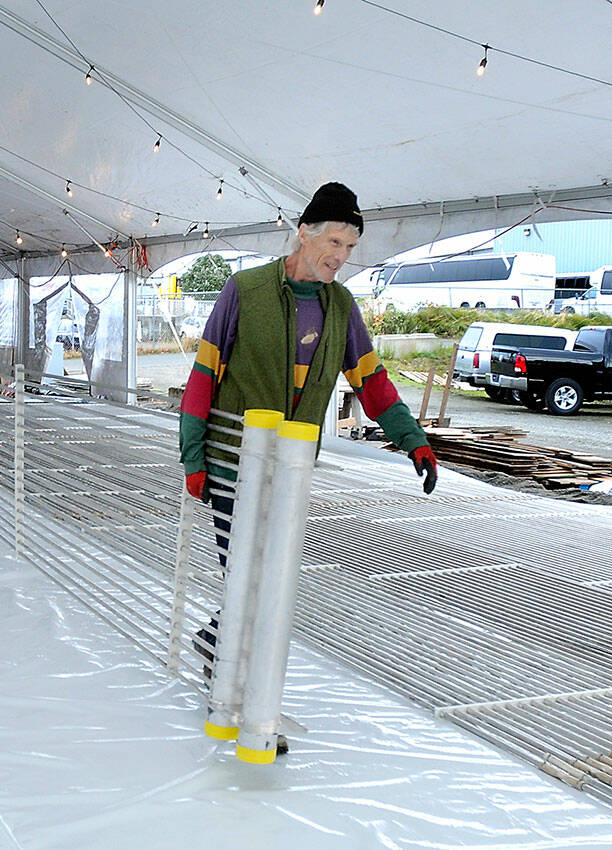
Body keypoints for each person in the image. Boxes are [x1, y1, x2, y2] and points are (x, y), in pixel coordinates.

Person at [178, 182, 438, 752]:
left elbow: (371, 381)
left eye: (350, 247)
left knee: (263, 578)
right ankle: (241, 700)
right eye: (336, 241)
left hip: (291, 469)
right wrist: (193, 454)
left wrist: (412, 440)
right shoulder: (243, 291)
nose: (341, 256)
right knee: (248, 576)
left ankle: (218, 653)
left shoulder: (341, 306)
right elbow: (202, 378)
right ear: (305, 233)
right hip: (232, 461)